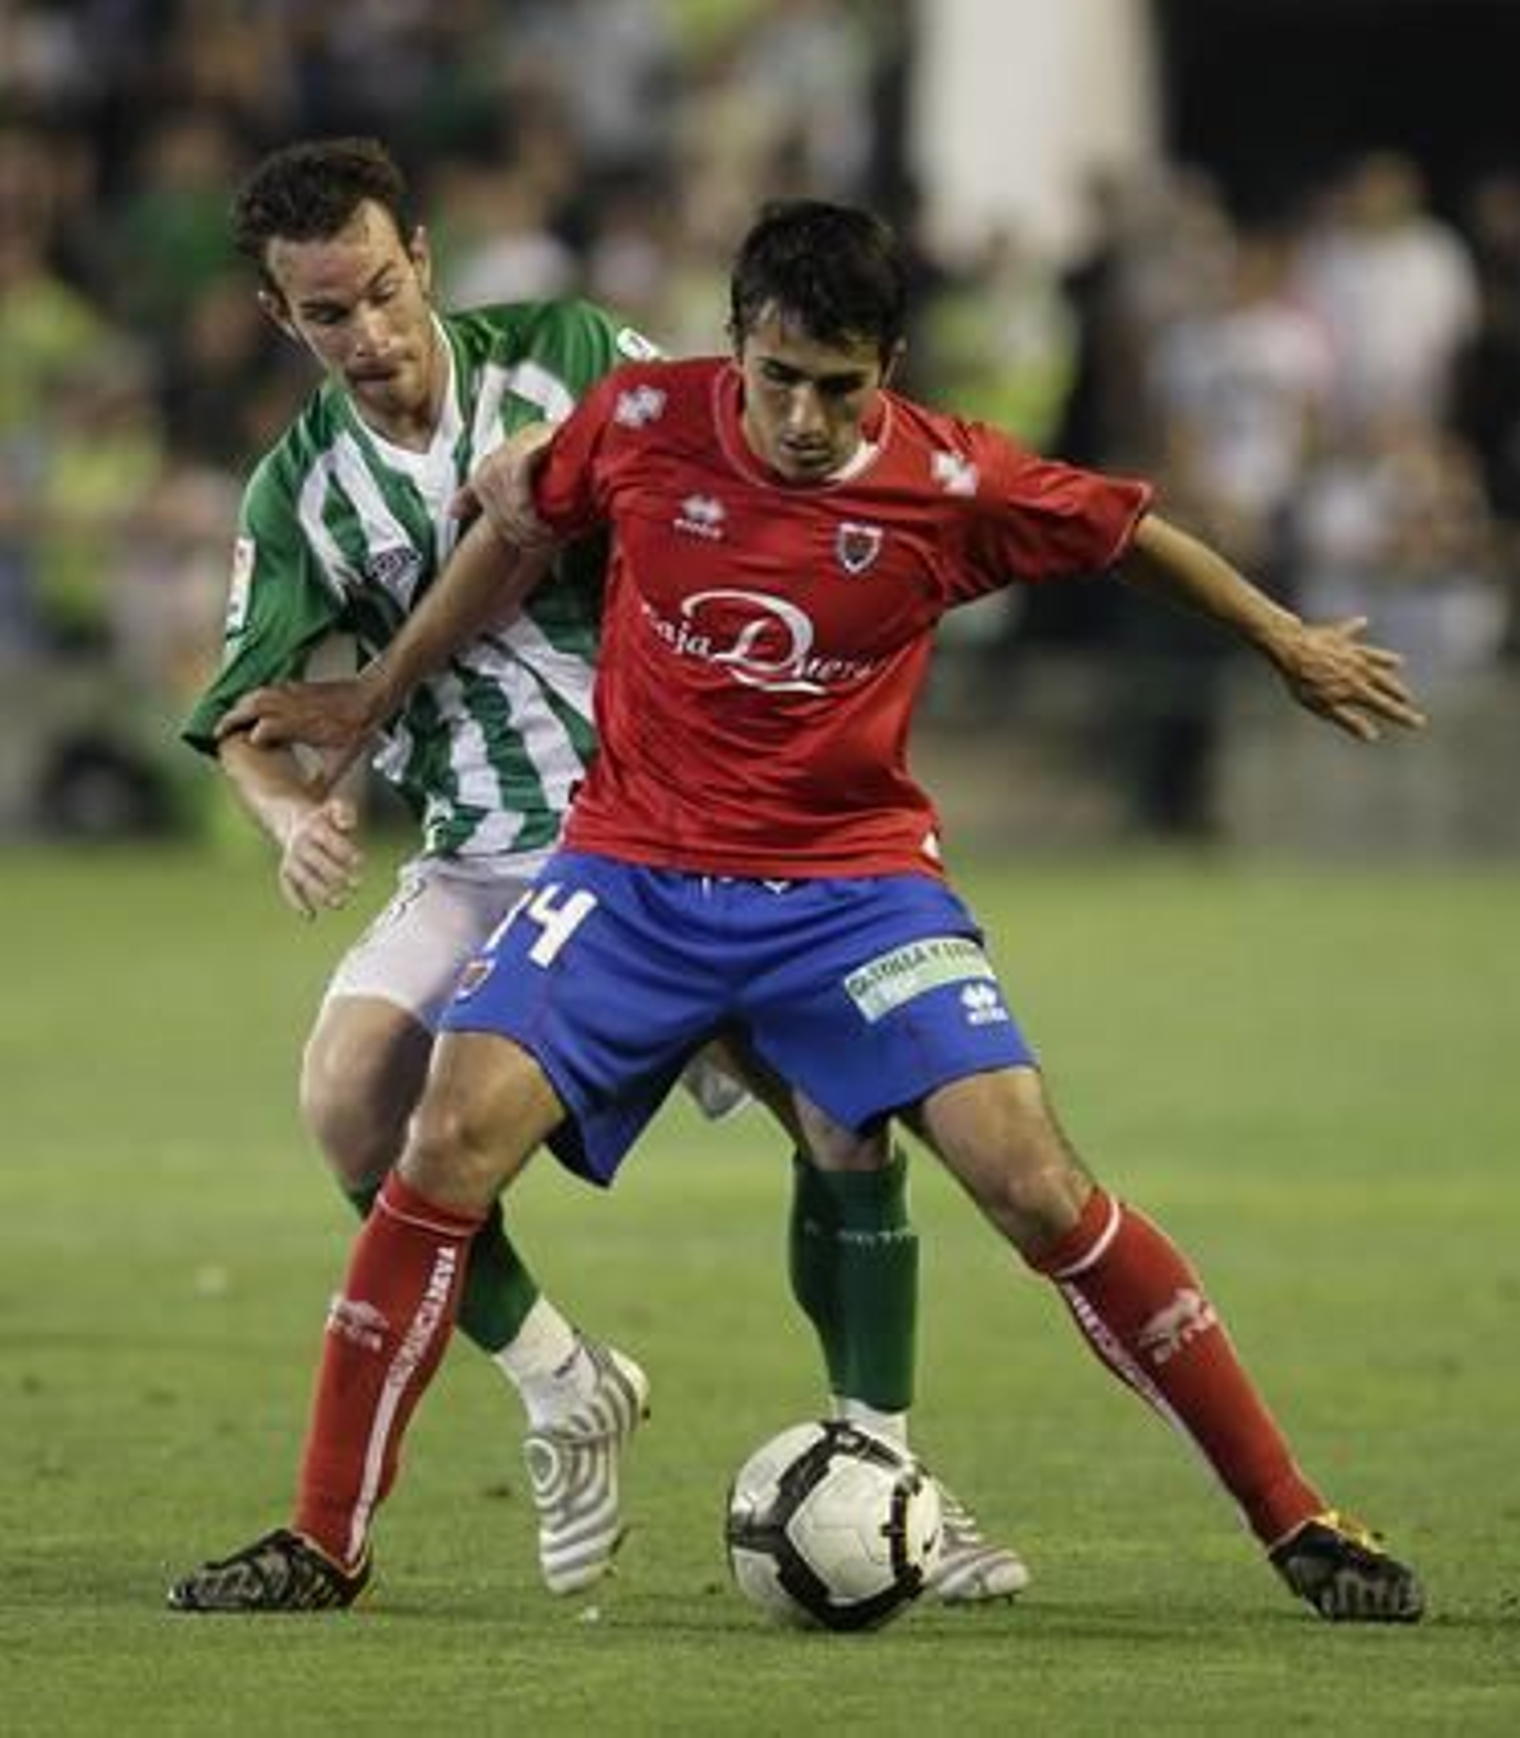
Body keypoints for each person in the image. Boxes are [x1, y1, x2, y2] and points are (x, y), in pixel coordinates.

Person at [175, 198, 1429, 1623]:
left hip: (852, 890)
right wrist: (378, 690)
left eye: (842, 386)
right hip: (628, 874)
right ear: (737, 348)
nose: (807, 418)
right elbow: (515, 532)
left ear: (887, 362)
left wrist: (1284, 641)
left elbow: (1130, 532)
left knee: (1031, 1181)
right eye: (780, 379)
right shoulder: (643, 416)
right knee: (442, 1134)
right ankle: (324, 1537)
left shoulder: (955, 479)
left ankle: (1296, 1520)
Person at [176, 143, 1023, 1607]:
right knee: (347, 1096)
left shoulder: (570, 354)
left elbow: (717, 455)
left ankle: (890, 1477)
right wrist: (285, 815)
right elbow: (243, 719)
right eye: (327, 316)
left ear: (424, 257)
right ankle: (564, 1382)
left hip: (666, 830)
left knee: (844, 1118)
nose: (368, 337)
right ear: (278, 316)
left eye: (382, 292)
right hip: (479, 846)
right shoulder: (295, 492)